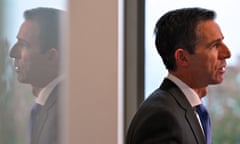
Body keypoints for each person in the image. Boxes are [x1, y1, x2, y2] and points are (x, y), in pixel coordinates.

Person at [126, 7, 231, 144]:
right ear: (182, 58)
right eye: (215, 45)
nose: (227, 53)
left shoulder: (190, 108)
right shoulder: (162, 118)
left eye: (222, 41)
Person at [9, 7, 66, 144]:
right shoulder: (49, 105)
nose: (12, 53)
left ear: (51, 56)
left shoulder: (64, 112)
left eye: (23, 45)